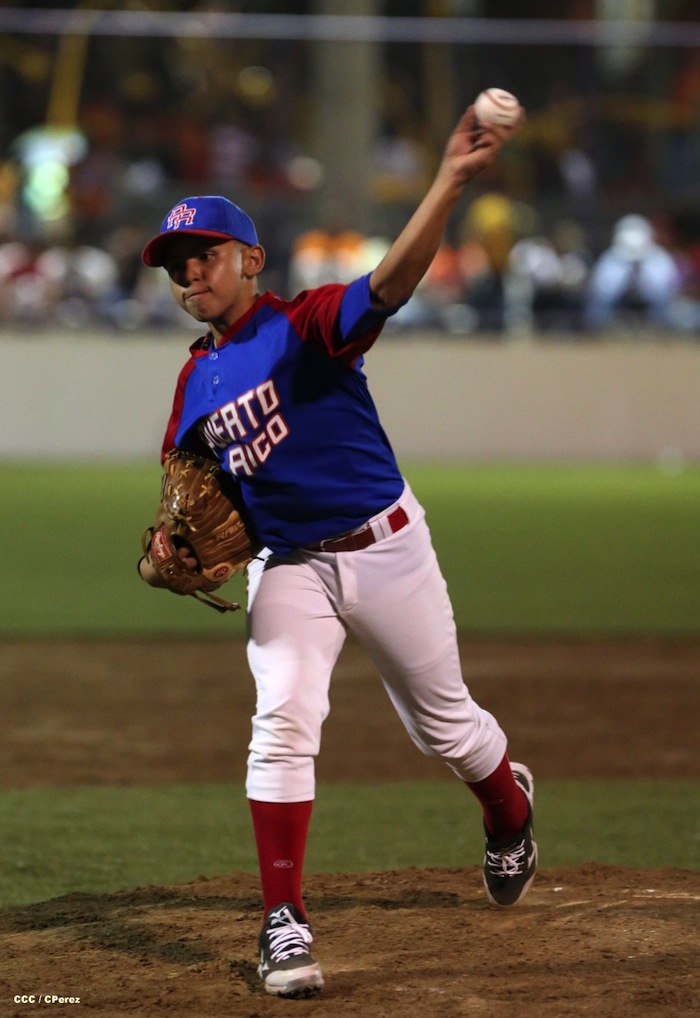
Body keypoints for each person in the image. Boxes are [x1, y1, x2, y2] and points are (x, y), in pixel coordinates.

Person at [138, 101, 536, 1000]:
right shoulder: (194, 378)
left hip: (387, 547)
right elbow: (189, 480)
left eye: (203, 253)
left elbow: (390, 282)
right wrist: (172, 539)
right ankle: (284, 920)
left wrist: (449, 180)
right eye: (174, 262)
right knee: (282, 721)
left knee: (446, 729)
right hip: (290, 567)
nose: (189, 271)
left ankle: (509, 807)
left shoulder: (306, 325)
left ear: (250, 259)